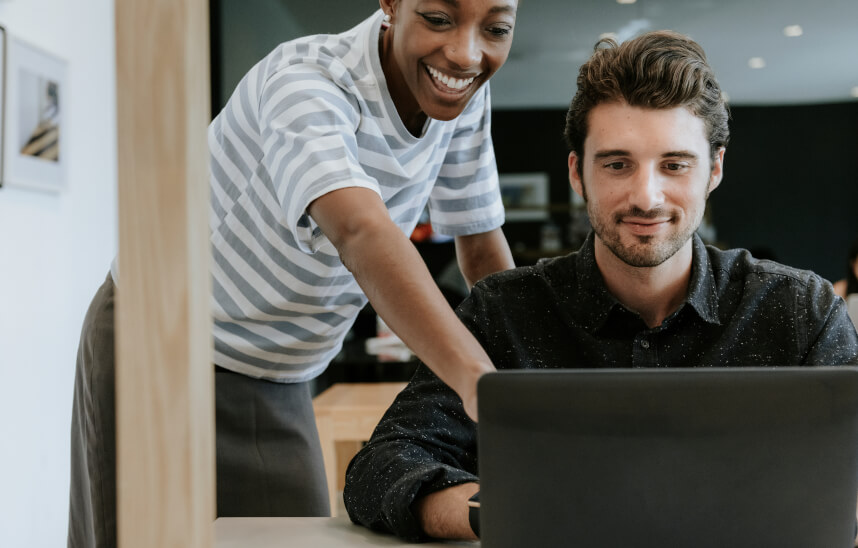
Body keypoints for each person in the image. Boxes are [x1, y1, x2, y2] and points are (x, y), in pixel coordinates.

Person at [343, 30, 858, 542]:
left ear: (714, 170)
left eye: (674, 165)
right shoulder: (502, 310)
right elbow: (380, 468)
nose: (646, 197)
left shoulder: (800, 309)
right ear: (577, 172)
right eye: (617, 164)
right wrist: (505, 512)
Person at [68, 1, 520, 547]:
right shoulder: (307, 80)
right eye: (439, 19)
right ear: (391, 4)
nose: (466, 53)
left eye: (495, 28)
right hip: (158, 347)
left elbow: (480, 243)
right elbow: (360, 231)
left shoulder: (460, 92)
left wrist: (534, 371)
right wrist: (482, 381)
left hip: (283, 374)